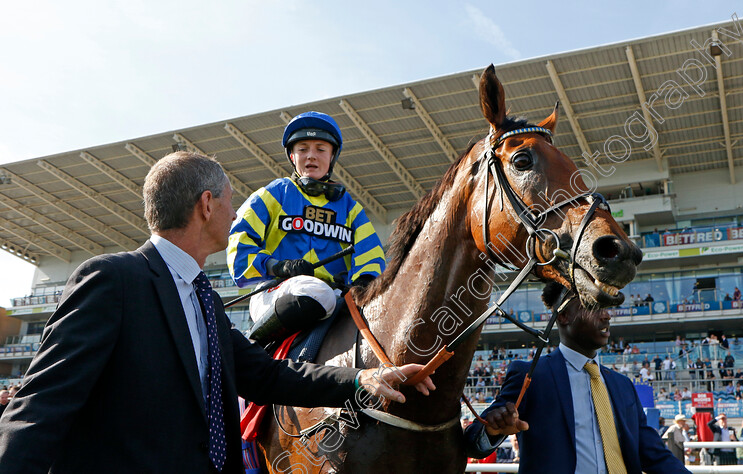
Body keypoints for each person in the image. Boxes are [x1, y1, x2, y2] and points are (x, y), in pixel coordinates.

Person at [0, 152, 433, 473]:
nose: (234, 213)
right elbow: (39, 406)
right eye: (230, 202)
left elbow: (266, 375)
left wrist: (365, 378)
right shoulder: (113, 279)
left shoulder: (203, 296)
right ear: (207, 204)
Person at [463, 281, 688, 473]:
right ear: (563, 316)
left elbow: (653, 454)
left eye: (606, 308)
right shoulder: (531, 375)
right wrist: (493, 430)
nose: (606, 315)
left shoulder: (623, 385)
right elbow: (475, 441)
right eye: (594, 306)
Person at [228, 111, 386, 343]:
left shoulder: (351, 209)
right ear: (292, 156)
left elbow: (371, 255)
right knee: (317, 292)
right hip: (276, 291)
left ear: (332, 156)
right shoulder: (272, 195)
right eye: (303, 149)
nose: (311, 156)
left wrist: (362, 282)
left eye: (320, 149)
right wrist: (278, 267)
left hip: (336, 299)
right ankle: (249, 350)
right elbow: (239, 246)